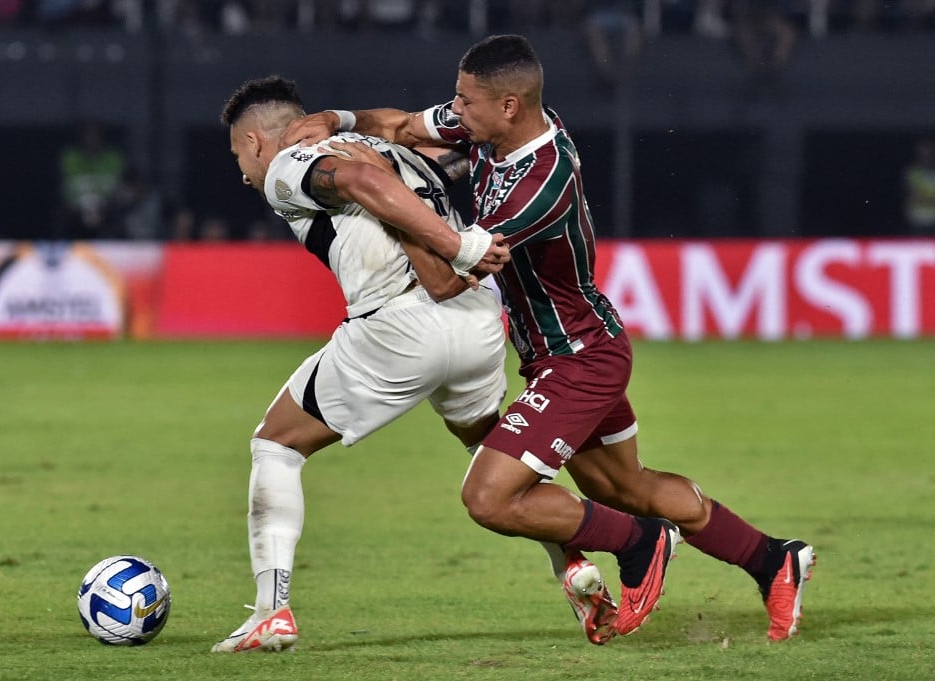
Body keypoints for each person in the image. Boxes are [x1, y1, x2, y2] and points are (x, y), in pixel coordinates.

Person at [283, 34, 816, 642]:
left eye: (466, 101)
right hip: (578, 349)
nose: (455, 112)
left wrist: (384, 202)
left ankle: (642, 546)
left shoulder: (540, 182)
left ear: (509, 105)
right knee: (624, 486)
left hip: (578, 360)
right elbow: (404, 125)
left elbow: (442, 280)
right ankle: (774, 560)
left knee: (489, 497)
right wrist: (338, 120)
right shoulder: (496, 128)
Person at [211, 76, 661, 652]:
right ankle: (573, 567)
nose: (241, 171)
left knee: (276, 445)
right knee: (490, 450)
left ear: (254, 141)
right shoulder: (396, 146)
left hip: (403, 323)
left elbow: (357, 179)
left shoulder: (289, 165)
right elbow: (429, 154)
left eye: (237, 156)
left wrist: (454, 247)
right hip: (475, 322)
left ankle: (270, 614)